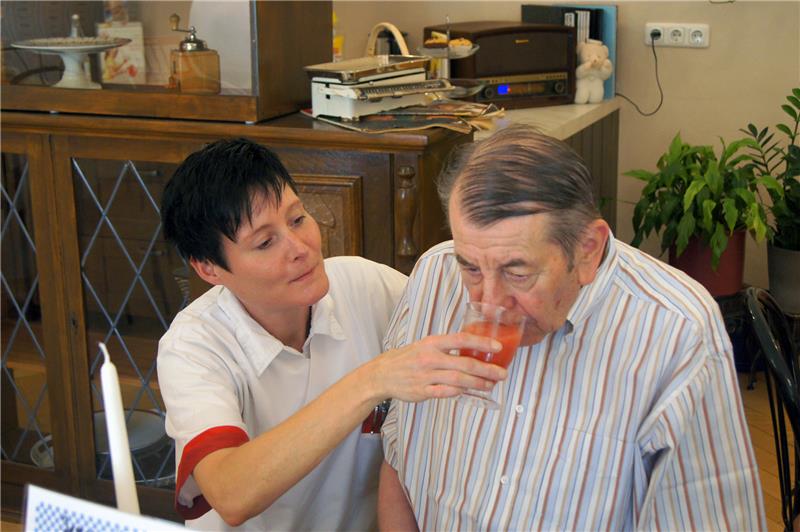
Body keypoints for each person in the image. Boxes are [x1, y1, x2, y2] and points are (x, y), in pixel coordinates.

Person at [378, 125, 766, 530]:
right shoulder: (434, 276)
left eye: (517, 271)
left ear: (587, 250)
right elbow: (397, 456)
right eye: (471, 267)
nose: (487, 301)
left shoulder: (678, 332)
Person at [156, 138, 507, 531]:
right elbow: (231, 494)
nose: (300, 248)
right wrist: (374, 379)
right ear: (209, 269)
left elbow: (470, 311)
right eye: (265, 242)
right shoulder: (192, 347)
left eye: (297, 219)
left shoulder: (363, 283)